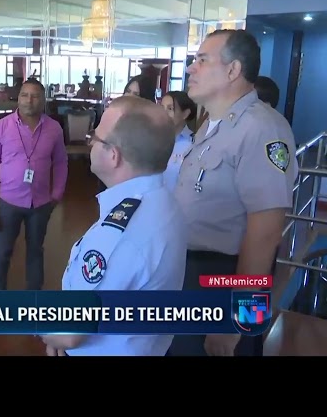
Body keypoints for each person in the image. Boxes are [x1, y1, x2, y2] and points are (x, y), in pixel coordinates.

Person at [170, 29, 298, 357]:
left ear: (232, 70)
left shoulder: (262, 128)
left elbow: (265, 234)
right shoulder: (213, 124)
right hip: (188, 273)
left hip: (223, 279)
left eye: (201, 60)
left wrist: (237, 322)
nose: (190, 68)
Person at [41, 96, 187, 356]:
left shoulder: (119, 234)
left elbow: (71, 330)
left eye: (95, 138)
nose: (90, 143)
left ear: (113, 155)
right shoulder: (165, 203)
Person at [0, 78, 68, 291]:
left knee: (36, 251)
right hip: (7, 202)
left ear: (43, 100)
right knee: (2, 254)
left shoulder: (54, 129)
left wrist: (56, 194)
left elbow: (60, 163)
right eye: (24, 95)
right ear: (18, 98)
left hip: (40, 203)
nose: (29, 100)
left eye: (35, 95)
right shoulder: (0, 128)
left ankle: (33, 302)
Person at [160, 90, 197, 191]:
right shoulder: (152, 139)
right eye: (161, 107)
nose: (163, 113)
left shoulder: (193, 144)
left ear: (185, 114)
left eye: (170, 108)